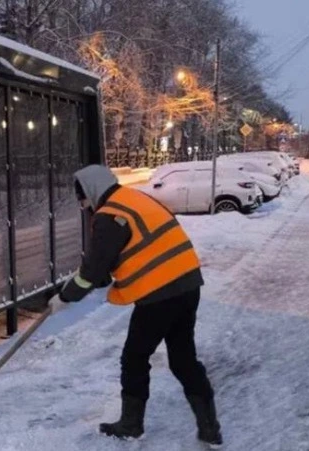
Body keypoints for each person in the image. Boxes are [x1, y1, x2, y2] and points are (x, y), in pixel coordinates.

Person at [57, 164, 222, 448]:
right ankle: (210, 428)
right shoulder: (134, 199)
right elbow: (121, 255)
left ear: (91, 191)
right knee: (183, 359)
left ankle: (131, 424)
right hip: (187, 284)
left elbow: (94, 271)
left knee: (134, 357)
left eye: (82, 199)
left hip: (160, 293)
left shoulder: (110, 215)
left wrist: (64, 297)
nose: (84, 206)